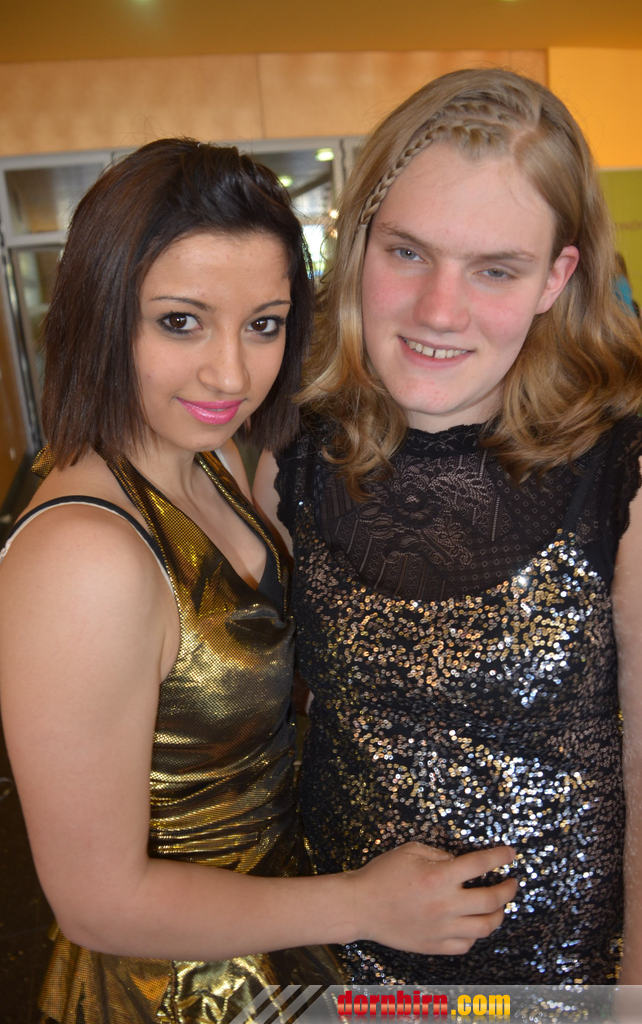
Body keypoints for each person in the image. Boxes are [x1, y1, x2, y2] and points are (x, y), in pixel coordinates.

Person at [0, 139, 517, 1024]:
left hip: (274, 934)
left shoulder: (210, 458)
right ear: (100, 313)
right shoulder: (85, 559)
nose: (230, 374)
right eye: (180, 322)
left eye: (263, 324)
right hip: (172, 990)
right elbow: (96, 903)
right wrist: (367, 903)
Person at [254, 69, 642, 986]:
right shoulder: (288, 452)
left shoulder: (622, 470)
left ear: (555, 278)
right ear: (358, 242)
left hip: (564, 986)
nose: (438, 311)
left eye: (495, 269)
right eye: (408, 252)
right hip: (342, 974)